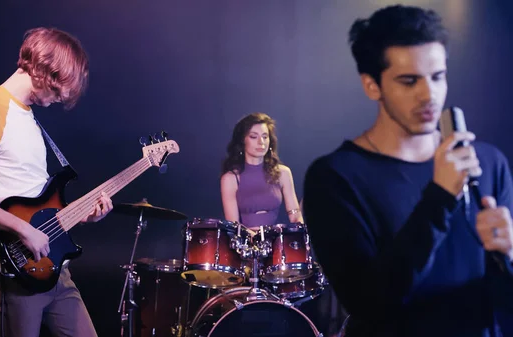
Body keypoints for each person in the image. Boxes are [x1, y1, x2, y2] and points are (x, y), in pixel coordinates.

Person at [302, 4, 513, 337]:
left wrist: (510, 256)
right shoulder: (335, 178)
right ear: (373, 85)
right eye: (409, 80)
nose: (429, 94)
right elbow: (369, 303)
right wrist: (440, 197)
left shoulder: (486, 163)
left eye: (437, 77)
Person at [0, 27, 113, 337]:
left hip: (54, 270)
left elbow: (38, 206)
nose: (63, 97)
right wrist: (24, 230)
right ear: (45, 70)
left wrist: (85, 215)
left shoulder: (30, 120)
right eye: (62, 87)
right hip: (14, 273)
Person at [220, 112, 303, 229]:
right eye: (254, 137)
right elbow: (234, 226)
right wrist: (255, 239)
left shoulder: (283, 173)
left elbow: (295, 215)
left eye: (265, 137)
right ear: (242, 141)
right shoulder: (230, 178)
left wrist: (300, 229)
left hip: (276, 241)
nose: (261, 142)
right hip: (246, 243)